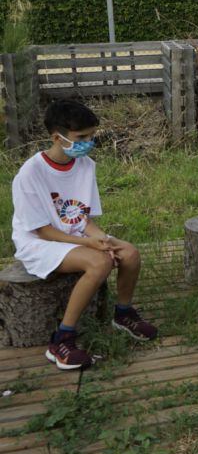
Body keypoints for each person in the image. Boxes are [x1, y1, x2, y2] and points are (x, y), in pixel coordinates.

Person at [12, 100, 158, 370]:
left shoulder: (85, 165)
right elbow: (42, 229)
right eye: (81, 137)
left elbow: (83, 217)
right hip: (40, 242)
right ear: (57, 137)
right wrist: (90, 244)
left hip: (74, 234)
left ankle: (123, 314)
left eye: (91, 136)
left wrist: (101, 239)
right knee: (99, 262)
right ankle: (62, 339)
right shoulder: (30, 174)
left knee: (129, 253)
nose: (89, 142)